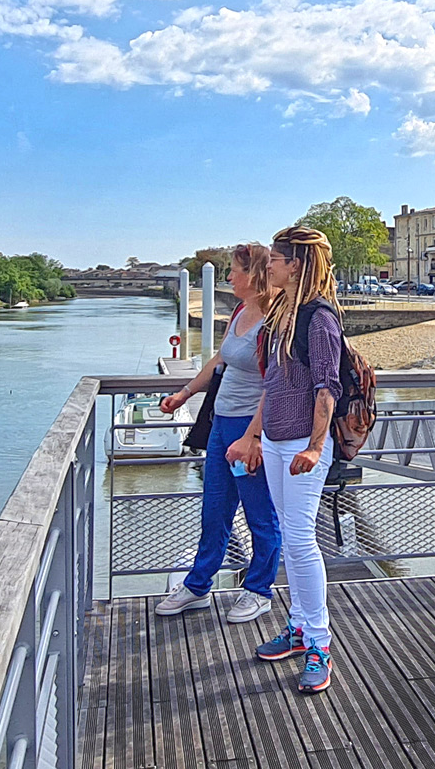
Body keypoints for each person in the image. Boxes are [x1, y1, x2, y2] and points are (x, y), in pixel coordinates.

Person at [228, 225, 341, 694]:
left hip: (301, 445)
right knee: (291, 537)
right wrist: (255, 436)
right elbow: (273, 385)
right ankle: (298, 627)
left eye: (275, 258)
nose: (268, 265)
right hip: (274, 441)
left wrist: (315, 447)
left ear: (294, 265)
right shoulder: (280, 317)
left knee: (299, 538)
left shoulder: (319, 319)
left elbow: (327, 386)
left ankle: (319, 642)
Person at [153, 244, 280, 624]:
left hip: (248, 431)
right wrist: (184, 393)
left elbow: (275, 384)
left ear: (254, 274)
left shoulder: (276, 320)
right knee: (214, 510)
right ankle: (197, 586)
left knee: (259, 514)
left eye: (234, 271)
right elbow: (220, 359)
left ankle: (259, 590)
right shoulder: (241, 311)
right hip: (222, 426)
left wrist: (253, 437)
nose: (228, 278)